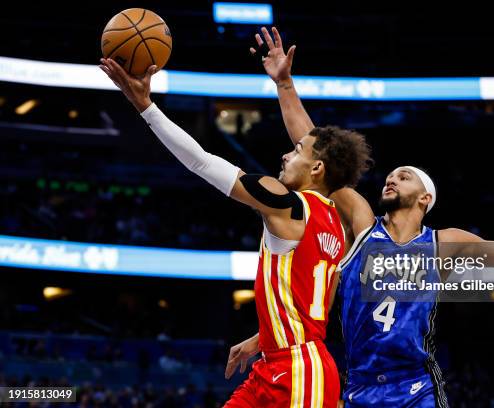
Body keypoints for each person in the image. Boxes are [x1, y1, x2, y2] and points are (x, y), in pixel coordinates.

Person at [227, 27, 494, 407]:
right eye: (391, 175)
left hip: (414, 387)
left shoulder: (442, 243)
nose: (391, 178)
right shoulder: (362, 225)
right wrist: (285, 84)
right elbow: (314, 152)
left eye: (403, 177)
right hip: (358, 386)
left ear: (425, 197)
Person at [98, 57, 372, 408]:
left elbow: (201, 161)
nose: (286, 155)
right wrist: (263, 338)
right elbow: (316, 305)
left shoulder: (287, 202)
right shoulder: (337, 224)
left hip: (301, 372)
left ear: (317, 168)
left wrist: (145, 106)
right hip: (279, 362)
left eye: (297, 150)